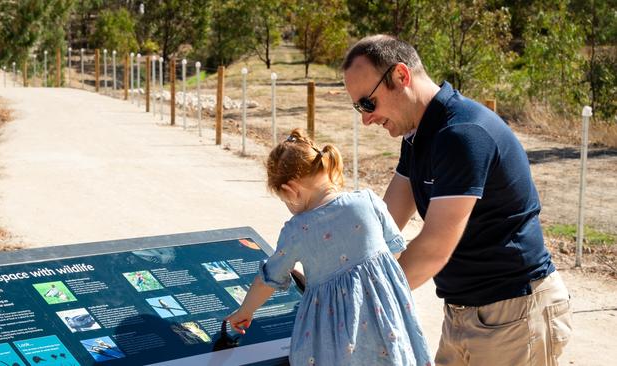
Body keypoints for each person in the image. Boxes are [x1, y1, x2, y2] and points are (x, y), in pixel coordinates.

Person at [342, 34, 572, 366]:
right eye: (358, 107)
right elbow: (384, 221)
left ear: (400, 77)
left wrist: (360, 301)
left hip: (514, 315)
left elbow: (434, 246)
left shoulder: (461, 134)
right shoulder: (419, 135)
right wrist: (331, 268)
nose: (365, 118)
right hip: (464, 314)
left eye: (368, 103)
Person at [225, 129, 432, 365]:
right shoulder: (368, 200)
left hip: (337, 338)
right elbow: (394, 249)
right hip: (387, 323)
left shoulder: (297, 230)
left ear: (290, 191)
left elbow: (268, 279)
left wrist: (245, 312)